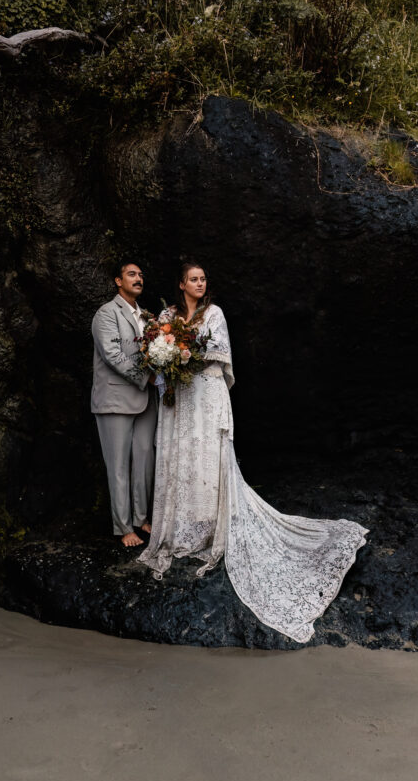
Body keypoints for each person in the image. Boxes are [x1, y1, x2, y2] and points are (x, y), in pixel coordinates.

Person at [138, 261, 369, 643]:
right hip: (181, 396)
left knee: (208, 458)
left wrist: (186, 353)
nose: (199, 283)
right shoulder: (166, 316)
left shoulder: (215, 313)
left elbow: (221, 352)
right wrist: (167, 357)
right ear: (180, 284)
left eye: (203, 279)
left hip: (207, 392)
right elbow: (154, 353)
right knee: (183, 458)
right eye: (193, 279)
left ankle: (211, 525)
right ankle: (184, 525)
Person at [91, 260, 157, 547]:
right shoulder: (106, 313)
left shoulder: (148, 316)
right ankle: (123, 527)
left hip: (146, 400)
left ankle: (141, 518)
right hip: (115, 399)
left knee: (144, 458)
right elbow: (112, 355)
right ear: (118, 281)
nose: (138, 278)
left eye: (141, 274)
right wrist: (148, 377)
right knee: (118, 465)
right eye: (132, 274)